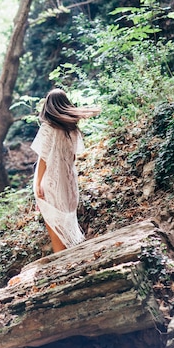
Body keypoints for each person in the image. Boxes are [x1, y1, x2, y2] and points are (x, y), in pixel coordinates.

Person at [31, 88, 100, 253]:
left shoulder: (48, 128)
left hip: (51, 184)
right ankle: (70, 263)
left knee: (56, 232)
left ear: (48, 106)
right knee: (67, 226)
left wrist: (37, 185)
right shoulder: (72, 130)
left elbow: (43, 159)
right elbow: (73, 158)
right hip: (69, 186)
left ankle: (64, 268)